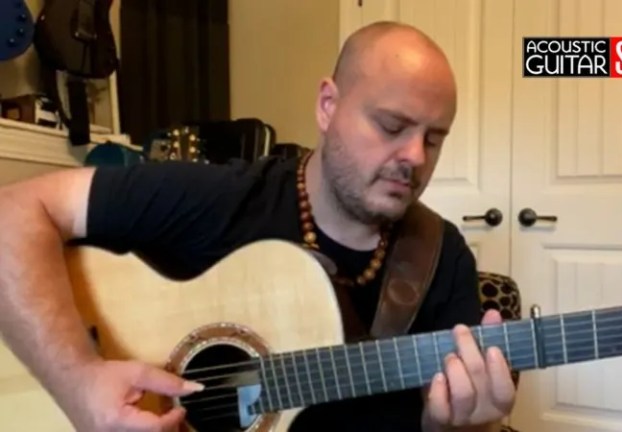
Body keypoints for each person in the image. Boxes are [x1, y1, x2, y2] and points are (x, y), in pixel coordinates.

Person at [0, 21, 516, 431]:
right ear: (328, 105)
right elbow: (13, 213)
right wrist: (79, 382)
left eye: (435, 138)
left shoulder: (443, 257)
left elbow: (456, 418)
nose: (413, 157)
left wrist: (462, 423)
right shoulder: (217, 199)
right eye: (392, 126)